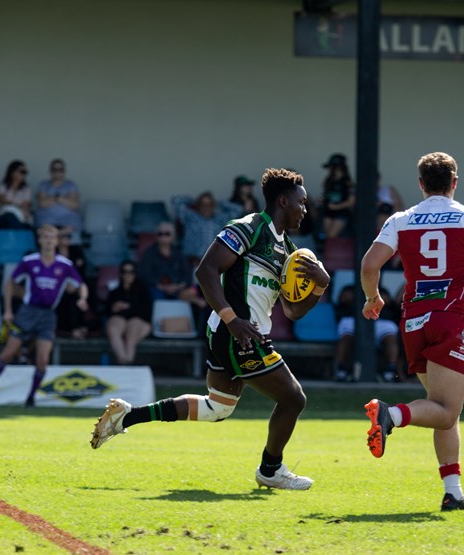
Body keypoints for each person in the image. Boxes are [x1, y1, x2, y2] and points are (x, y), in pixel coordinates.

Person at [91, 168, 331, 491]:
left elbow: (292, 311)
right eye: (301, 203)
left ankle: (127, 416)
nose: (305, 210)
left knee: (217, 407)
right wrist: (233, 320)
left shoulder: (288, 250)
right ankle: (271, 470)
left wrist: (320, 285)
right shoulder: (248, 228)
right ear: (283, 201)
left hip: (237, 333)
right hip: (238, 334)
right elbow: (205, 270)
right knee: (294, 399)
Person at [360, 152, 464, 512]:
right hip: (450, 320)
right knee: (446, 412)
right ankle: (390, 415)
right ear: (454, 183)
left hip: (413, 322)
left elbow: (368, 264)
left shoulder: (401, 219)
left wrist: (372, 297)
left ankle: (453, 492)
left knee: (440, 407)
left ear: (421, 184)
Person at [0, 225, 88, 407]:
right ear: (39, 240)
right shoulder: (29, 261)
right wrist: (8, 310)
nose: (48, 240)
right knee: (8, 353)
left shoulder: (65, 265)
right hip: (27, 311)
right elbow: (10, 283)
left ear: (57, 241)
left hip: (48, 315)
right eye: (45, 236)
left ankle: (31, 397)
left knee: (42, 360)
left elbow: (81, 284)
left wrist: (82, 298)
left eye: (52, 237)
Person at [334, 284, 401, 383]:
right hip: (353, 319)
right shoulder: (351, 287)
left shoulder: (380, 287)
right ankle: (341, 370)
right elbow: (344, 298)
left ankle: (390, 371)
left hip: (380, 320)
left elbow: (386, 300)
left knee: (390, 338)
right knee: (346, 337)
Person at [137, 221, 207, 315]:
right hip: (156, 289)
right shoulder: (149, 254)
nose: (163, 236)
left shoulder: (179, 255)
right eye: (160, 234)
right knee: (155, 295)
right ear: (156, 236)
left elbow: (187, 275)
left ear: (173, 236)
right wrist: (160, 286)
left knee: (196, 296)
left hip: (178, 289)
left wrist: (179, 286)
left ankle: (181, 326)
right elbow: (143, 274)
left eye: (167, 234)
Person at [105, 260, 152, 365]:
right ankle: (123, 360)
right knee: (114, 325)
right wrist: (114, 308)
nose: (127, 275)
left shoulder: (143, 291)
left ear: (135, 273)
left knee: (133, 327)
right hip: (120, 321)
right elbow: (107, 312)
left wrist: (127, 308)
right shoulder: (115, 292)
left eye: (131, 272)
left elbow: (146, 312)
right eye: (124, 271)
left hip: (140, 324)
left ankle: (129, 361)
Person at [172, 191, 234, 266]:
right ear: (198, 205)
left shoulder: (219, 219)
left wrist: (218, 203)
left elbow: (238, 210)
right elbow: (176, 201)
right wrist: (193, 201)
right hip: (192, 261)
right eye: (203, 205)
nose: (206, 208)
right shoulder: (190, 217)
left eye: (209, 205)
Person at [55, 225, 90, 339]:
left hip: (75, 285)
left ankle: (79, 327)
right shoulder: (52, 253)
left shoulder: (76, 251)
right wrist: (63, 285)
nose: (67, 239)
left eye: (69, 236)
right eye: (64, 236)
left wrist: (74, 285)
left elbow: (80, 273)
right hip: (55, 287)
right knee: (68, 297)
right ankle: (72, 328)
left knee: (80, 296)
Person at [34, 158, 82, 231]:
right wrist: (64, 198)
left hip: (68, 219)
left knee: (74, 221)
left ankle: (60, 235)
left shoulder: (71, 185)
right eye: (55, 169)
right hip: (47, 219)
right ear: (50, 171)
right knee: (43, 224)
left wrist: (55, 197)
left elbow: (74, 205)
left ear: (64, 171)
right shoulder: (43, 185)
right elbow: (42, 203)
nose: (58, 172)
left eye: (60, 169)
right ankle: (55, 235)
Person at [319, 153, 356, 239]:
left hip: (343, 213)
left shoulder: (348, 183)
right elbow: (326, 195)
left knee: (332, 235)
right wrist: (322, 199)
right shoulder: (328, 181)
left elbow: (351, 202)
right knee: (327, 235)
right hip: (329, 212)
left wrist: (337, 206)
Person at [0, 160, 33, 230]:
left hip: (20, 217)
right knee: (9, 215)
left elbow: (26, 205)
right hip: (1, 216)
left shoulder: (26, 189)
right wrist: (17, 205)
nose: (24, 174)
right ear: (12, 172)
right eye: (22, 172)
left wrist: (11, 203)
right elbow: (2, 200)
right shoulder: (3, 186)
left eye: (25, 172)